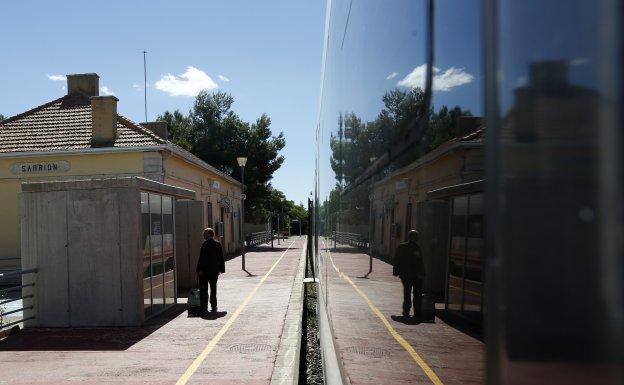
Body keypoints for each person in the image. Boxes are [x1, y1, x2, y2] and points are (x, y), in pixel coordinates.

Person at [393, 229, 426, 318]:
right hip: (415, 275)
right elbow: (419, 262)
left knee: (407, 293)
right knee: (417, 294)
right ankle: (417, 312)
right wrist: (422, 273)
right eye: (416, 236)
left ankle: (406, 311)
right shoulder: (416, 247)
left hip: (405, 275)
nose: (418, 238)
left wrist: (395, 271)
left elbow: (397, 260)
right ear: (413, 237)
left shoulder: (401, 246)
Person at [196, 228, 225, 315]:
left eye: (204, 233)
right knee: (213, 289)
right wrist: (221, 269)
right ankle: (214, 306)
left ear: (209, 234)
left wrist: (199, 270)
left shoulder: (205, 244)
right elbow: (221, 258)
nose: (203, 235)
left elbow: (202, 259)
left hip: (204, 272)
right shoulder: (218, 244)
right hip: (214, 271)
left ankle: (204, 307)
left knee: (204, 289)